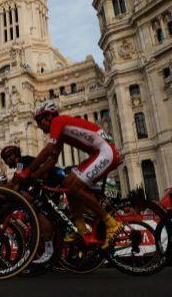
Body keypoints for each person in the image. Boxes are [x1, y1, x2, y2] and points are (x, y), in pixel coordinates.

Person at [18, 102, 122, 249]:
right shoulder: (60, 133)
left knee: (75, 186)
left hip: (106, 152)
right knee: (67, 183)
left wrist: (27, 170)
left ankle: (112, 223)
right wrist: (34, 176)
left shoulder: (58, 121)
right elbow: (52, 160)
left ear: (48, 116)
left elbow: (48, 150)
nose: (40, 127)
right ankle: (81, 229)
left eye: (40, 122)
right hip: (99, 153)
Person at [1, 144, 66, 263]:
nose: (6, 162)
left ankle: (49, 250)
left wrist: (0, 190)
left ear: (12, 156)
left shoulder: (21, 163)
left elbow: (16, 182)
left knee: (40, 213)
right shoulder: (23, 162)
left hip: (52, 182)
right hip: (50, 182)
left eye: (6, 159)